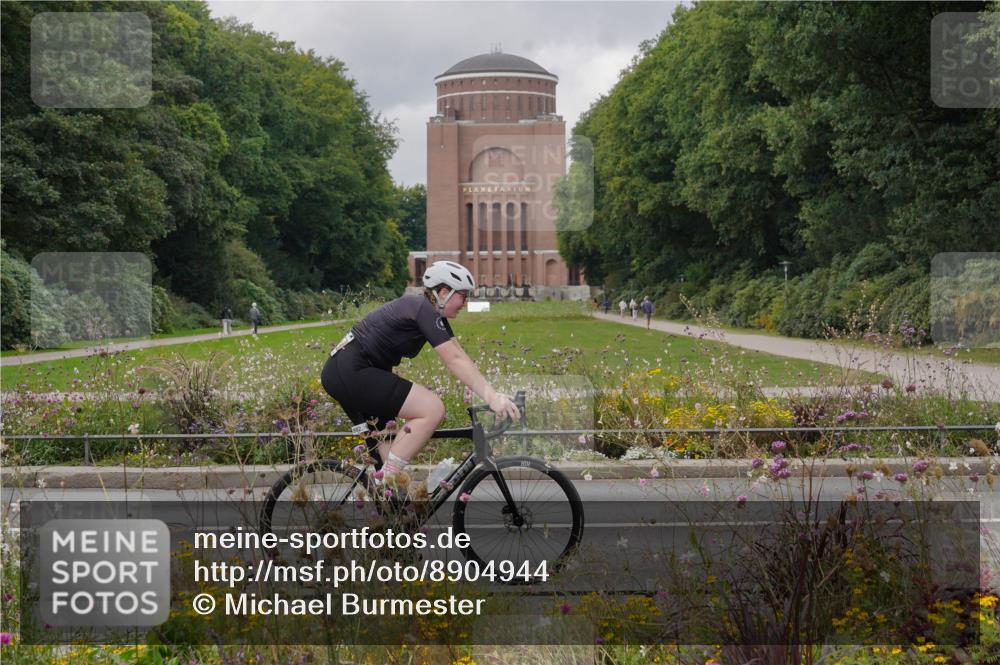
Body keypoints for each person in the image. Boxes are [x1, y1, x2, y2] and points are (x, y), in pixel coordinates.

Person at [320, 261, 520, 484]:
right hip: (352, 370)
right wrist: (491, 398)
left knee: (394, 474)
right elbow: (453, 360)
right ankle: (384, 481)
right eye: (463, 295)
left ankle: (388, 499)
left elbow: (459, 355)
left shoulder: (428, 312)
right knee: (432, 408)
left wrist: (492, 393)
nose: (466, 302)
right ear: (443, 292)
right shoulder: (422, 309)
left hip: (351, 371)